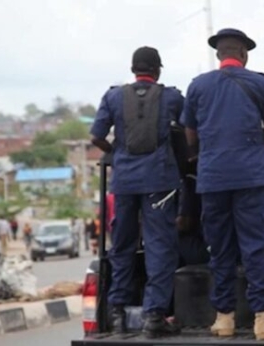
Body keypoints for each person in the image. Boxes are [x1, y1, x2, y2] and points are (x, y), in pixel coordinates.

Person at [180, 28, 264, 340]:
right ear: (244, 55)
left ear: (219, 55)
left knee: (219, 248)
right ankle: (263, 318)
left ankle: (224, 318)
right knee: (255, 247)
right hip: (251, 177)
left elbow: (189, 136)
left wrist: (201, 158)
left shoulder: (197, 86)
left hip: (212, 178)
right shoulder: (262, 85)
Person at [90, 46, 183, 338]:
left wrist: (116, 153)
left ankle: (117, 312)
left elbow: (96, 136)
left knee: (122, 245)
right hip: (159, 182)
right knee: (159, 246)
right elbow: (190, 128)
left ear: (133, 70)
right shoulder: (171, 97)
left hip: (124, 183)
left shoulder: (113, 96)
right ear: (157, 71)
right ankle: (154, 315)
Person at [176, 175, 210, 267]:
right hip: (223, 245)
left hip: (202, 247)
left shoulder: (190, 182)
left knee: (163, 240)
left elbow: (184, 223)